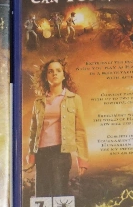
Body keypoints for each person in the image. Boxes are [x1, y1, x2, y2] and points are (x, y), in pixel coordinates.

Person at [27, 59, 89, 199]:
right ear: (46, 77)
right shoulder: (38, 102)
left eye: (58, 71)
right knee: (42, 197)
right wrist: (31, 156)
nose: (54, 73)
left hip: (60, 153)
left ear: (64, 75)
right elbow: (33, 131)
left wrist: (82, 159)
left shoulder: (74, 99)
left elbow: (80, 131)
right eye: (50, 71)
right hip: (41, 153)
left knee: (59, 196)